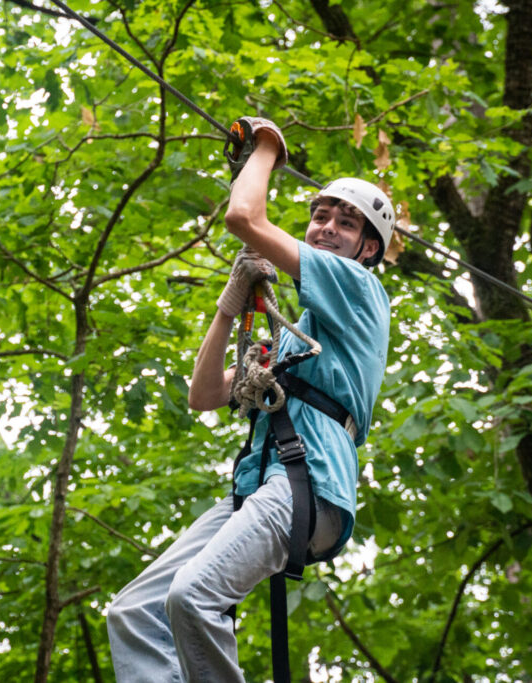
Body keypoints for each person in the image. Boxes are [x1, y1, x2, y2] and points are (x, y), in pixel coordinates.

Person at [106, 117, 394, 682]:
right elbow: (204, 394)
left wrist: (267, 147)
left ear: (367, 250)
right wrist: (229, 305)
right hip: (262, 488)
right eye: (320, 216)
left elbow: (244, 217)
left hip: (309, 483)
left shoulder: (359, 290)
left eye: (347, 222)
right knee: (133, 612)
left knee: (193, 597)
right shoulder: (292, 334)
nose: (328, 227)